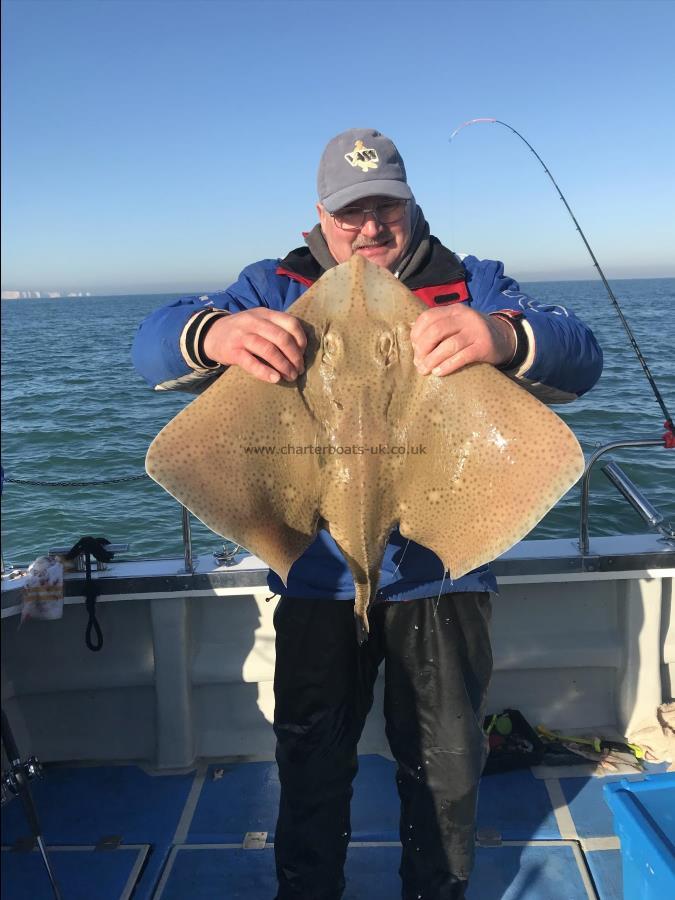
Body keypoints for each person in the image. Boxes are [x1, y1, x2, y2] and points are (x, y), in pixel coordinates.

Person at [132, 128, 602, 899]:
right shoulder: (273, 284)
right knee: (311, 758)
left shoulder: (468, 280)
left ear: (410, 205)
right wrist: (218, 333)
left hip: (440, 574)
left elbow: (578, 352)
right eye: (351, 213)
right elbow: (152, 346)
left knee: (445, 763)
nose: (369, 228)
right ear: (321, 214)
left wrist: (500, 333)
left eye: (386, 206)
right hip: (315, 575)